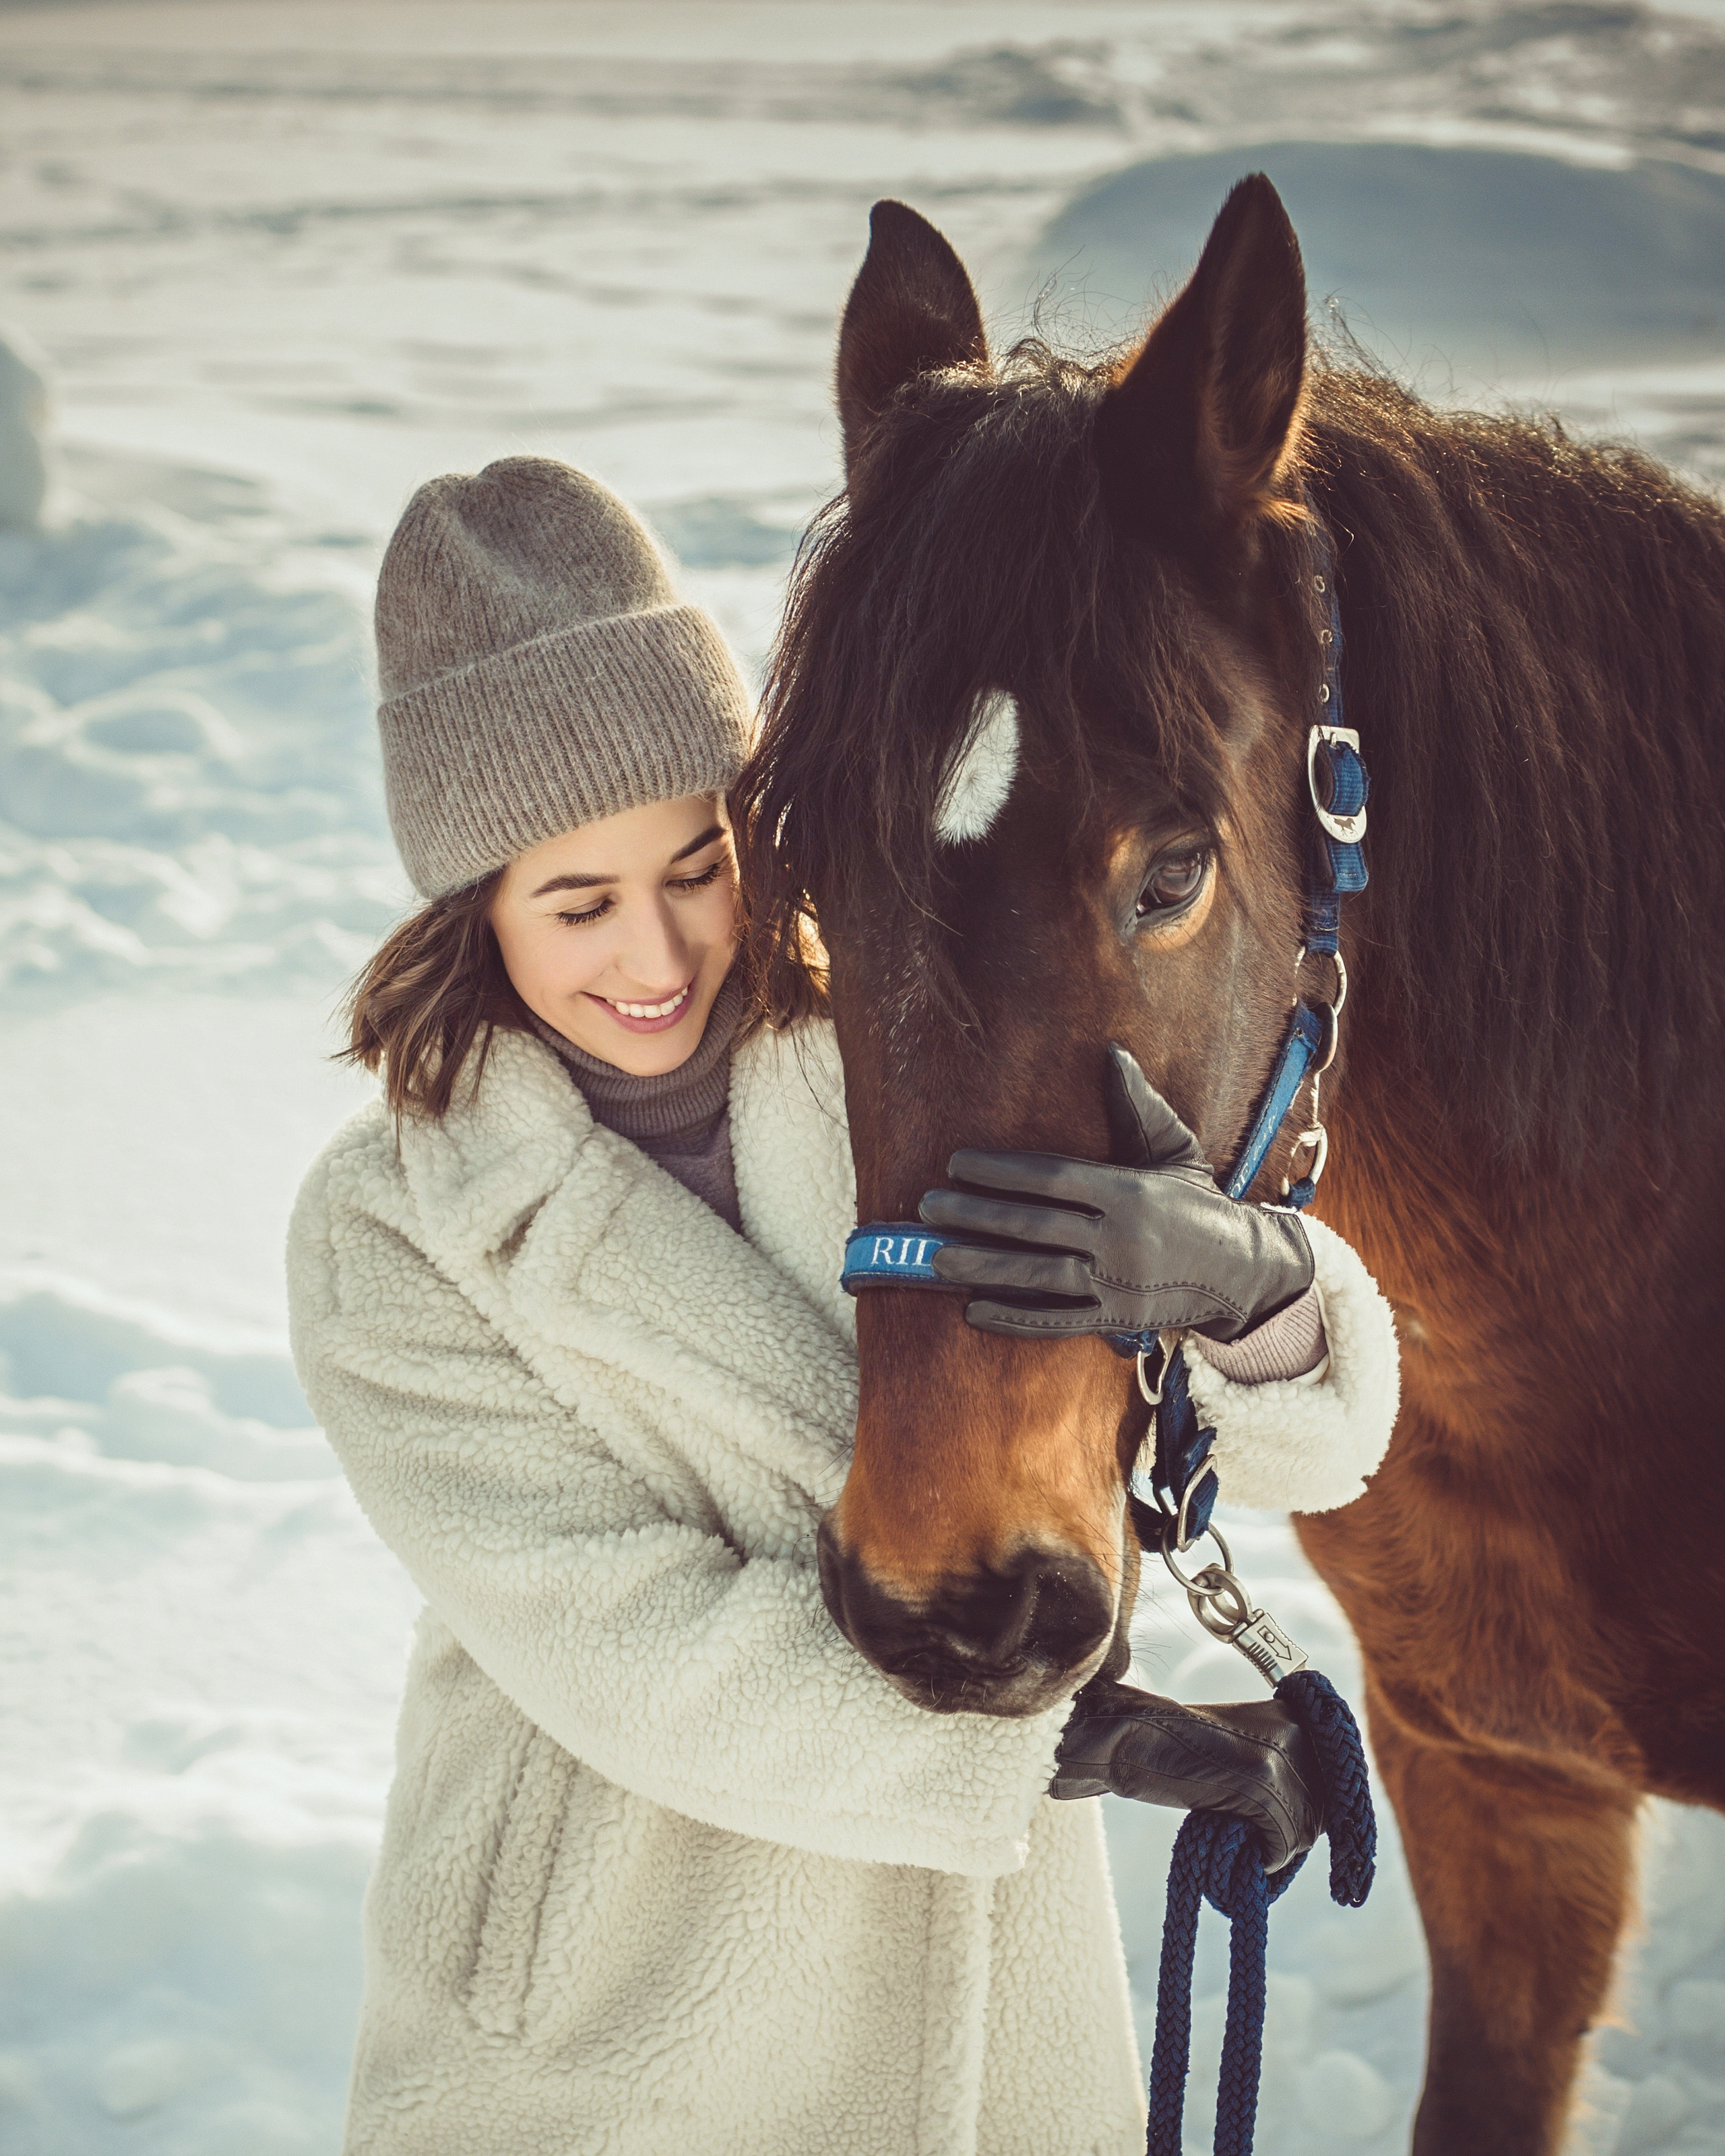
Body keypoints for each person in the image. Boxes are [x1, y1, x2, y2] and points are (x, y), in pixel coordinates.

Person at [287, 455, 1400, 2156]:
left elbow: (1283, 1449)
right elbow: (620, 1640)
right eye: (576, 904)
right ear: (473, 909)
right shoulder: (390, 1231)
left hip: (983, 2013)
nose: (657, 954)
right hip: (611, 2011)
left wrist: (1243, 1287)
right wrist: (1078, 1743)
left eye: (696, 864)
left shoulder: (887, 1054)